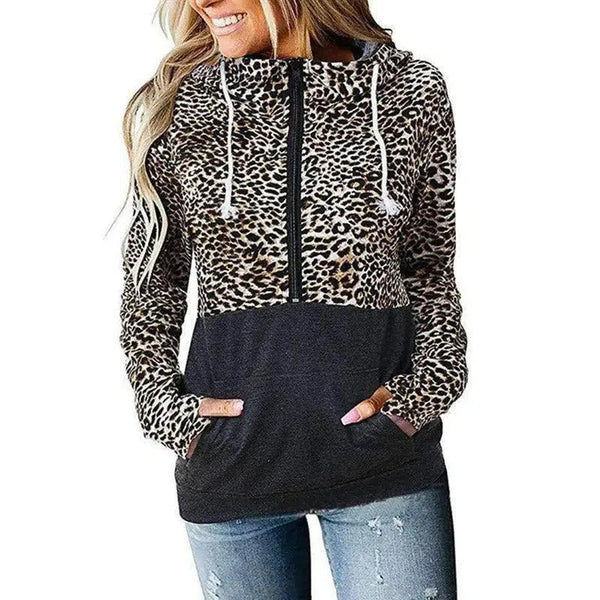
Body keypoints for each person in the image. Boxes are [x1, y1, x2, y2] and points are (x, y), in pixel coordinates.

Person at [119, 0, 468, 598]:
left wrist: (420, 397)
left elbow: (429, 266)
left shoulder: (410, 90)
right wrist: (170, 413)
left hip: (382, 464)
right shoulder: (183, 103)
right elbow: (152, 282)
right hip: (233, 469)